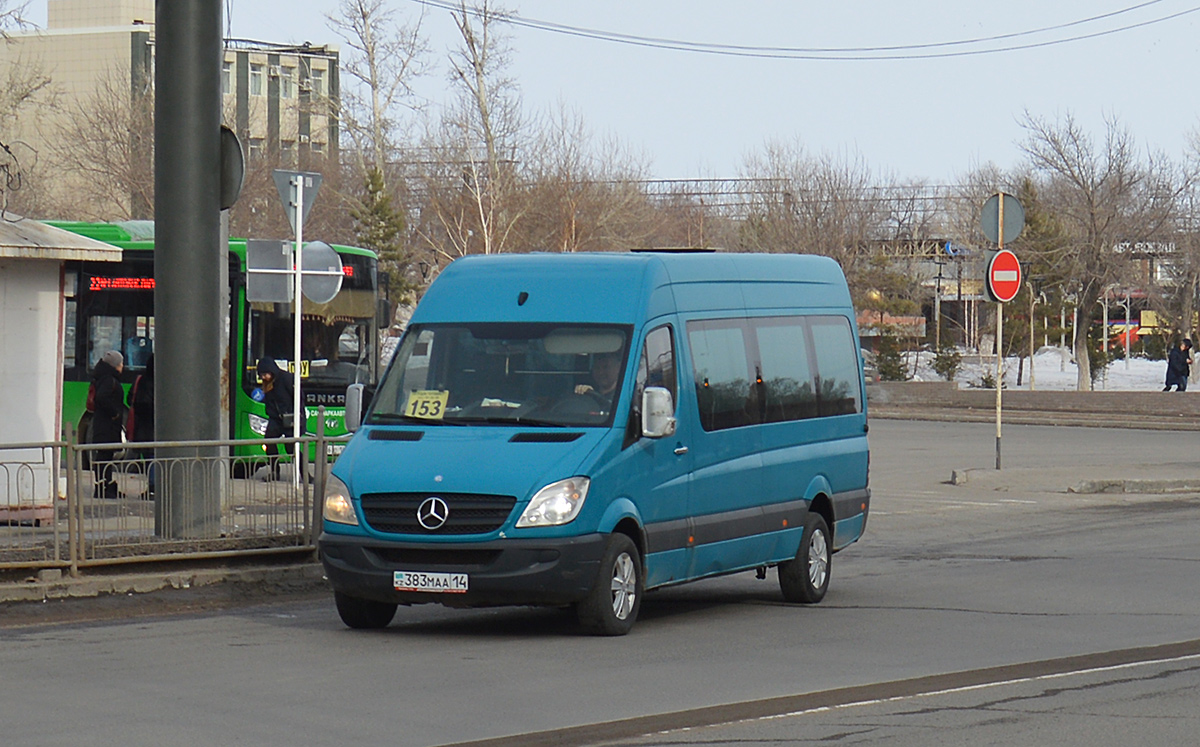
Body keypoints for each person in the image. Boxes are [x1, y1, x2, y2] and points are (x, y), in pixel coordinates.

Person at [90, 350, 127, 499]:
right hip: (107, 425)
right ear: (115, 365)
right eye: (121, 363)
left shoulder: (104, 377)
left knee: (105, 456)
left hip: (105, 424)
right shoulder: (108, 379)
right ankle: (102, 487)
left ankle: (105, 485)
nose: (123, 366)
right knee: (104, 456)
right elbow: (101, 397)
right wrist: (114, 413)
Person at [257, 357, 294, 479]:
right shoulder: (267, 385)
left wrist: (297, 417)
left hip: (290, 418)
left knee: (291, 448)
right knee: (269, 442)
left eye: (265, 374)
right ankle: (274, 471)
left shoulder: (286, 379)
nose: (264, 377)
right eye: (261, 375)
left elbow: (298, 398)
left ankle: (305, 475)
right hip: (275, 419)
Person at [126, 354, 155, 498]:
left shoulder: (141, 380)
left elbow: (130, 398)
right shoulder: (163, 382)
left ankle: (152, 487)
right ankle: (154, 487)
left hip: (142, 427)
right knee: (156, 457)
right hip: (155, 427)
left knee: (150, 457)